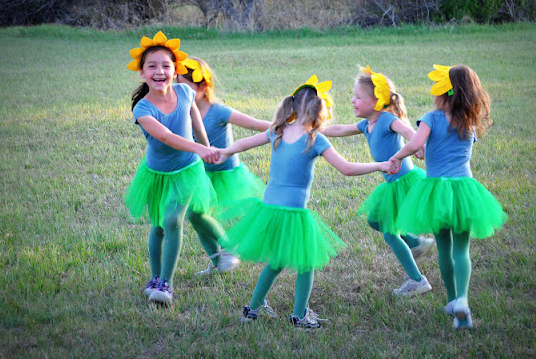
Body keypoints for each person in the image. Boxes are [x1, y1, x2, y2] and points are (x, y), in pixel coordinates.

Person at [215, 75, 395, 329]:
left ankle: (252, 309)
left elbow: (244, 143)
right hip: (293, 214)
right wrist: (381, 165)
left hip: (269, 210)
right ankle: (299, 315)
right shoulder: (315, 138)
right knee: (306, 263)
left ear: (294, 106)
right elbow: (346, 168)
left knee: (276, 261)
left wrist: (225, 152)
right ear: (319, 111)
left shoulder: (277, 131)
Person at [389, 64, 508, 329]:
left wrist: (397, 156)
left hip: (437, 192)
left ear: (443, 92)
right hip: (465, 191)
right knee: (462, 249)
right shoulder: (469, 122)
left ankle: (452, 299)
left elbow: (416, 144)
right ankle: (462, 300)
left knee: (444, 247)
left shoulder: (431, 118)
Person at [123, 31, 230, 306]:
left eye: (166, 66)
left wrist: (206, 146)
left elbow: (195, 120)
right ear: (142, 73)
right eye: (152, 66)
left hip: (186, 169)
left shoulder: (184, 92)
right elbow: (167, 137)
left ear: (175, 71)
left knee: (173, 220)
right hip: (156, 174)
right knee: (158, 225)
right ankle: (155, 277)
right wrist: (200, 148)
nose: (159, 71)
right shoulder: (142, 109)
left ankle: (166, 285)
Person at [323, 65, 434, 297]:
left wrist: (417, 145)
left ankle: (417, 280)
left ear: (377, 101)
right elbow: (340, 129)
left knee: (389, 233)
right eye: (353, 96)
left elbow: (407, 131)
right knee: (375, 221)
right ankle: (416, 243)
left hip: (404, 182)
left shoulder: (386, 120)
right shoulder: (366, 124)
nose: (352, 100)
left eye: (358, 97)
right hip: (392, 184)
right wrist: (315, 129)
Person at [176, 57, 270, 275]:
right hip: (198, 174)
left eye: (185, 87)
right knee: (196, 218)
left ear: (202, 86)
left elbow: (255, 124)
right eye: (177, 87)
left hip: (223, 174)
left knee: (196, 214)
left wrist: (286, 127)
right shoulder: (183, 111)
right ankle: (218, 262)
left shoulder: (218, 111)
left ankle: (229, 246)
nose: (180, 93)